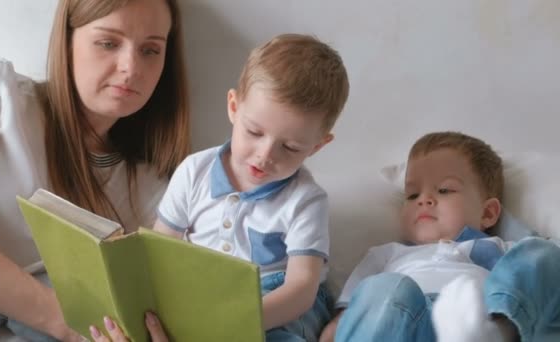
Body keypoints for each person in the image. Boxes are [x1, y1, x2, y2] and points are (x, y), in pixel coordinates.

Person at [0, 0, 189, 340]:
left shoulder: (155, 190)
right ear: (66, 41)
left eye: (151, 50)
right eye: (108, 43)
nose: (130, 67)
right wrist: (64, 322)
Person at [90, 33, 350, 342]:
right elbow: (160, 251)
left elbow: (300, 291)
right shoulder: (194, 172)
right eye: (254, 132)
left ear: (317, 146)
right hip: (205, 298)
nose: (265, 155)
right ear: (233, 107)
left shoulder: (306, 200)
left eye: (290, 147)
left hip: (277, 306)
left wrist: (233, 322)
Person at [319, 131, 560, 342]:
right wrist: (335, 326)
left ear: (488, 213)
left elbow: (539, 278)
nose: (424, 200)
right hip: (402, 326)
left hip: (480, 316)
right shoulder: (387, 254)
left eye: (444, 190)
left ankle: (498, 331)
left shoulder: (503, 248)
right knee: (385, 288)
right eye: (412, 195)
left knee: (541, 252)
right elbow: (352, 310)